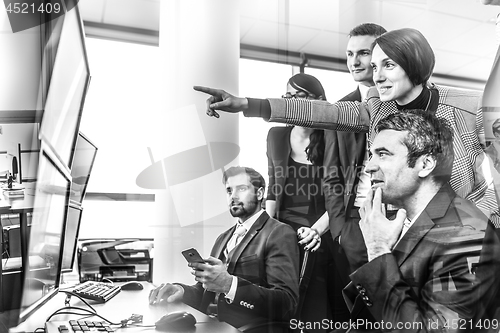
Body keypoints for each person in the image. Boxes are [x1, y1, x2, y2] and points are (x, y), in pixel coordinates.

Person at [193, 27, 500, 228]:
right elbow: (323, 112)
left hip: (463, 231)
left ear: (415, 62)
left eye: (388, 65)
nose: (377, 76)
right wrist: (248, 104)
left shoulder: (469, 105)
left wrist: (485, 218)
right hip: (403, 233)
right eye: (375, 66)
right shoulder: (378, 107)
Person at [340, 110, 500, 332]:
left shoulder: (466, 233)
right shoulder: (402, 220)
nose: (368, 166)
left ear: (425, 165)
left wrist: (378, 251)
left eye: (383, 154)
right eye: (371, 154)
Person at [148, 166, 300, 332]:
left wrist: (229, 285)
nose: (233, 196)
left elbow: (286, 303)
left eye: (241, 189)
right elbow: (203, 293)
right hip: (210, 326)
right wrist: (181, 291)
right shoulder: (223, 238)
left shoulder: (279, 232)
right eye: (229, 190)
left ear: (260, 193)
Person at [266, 72, 338, 331]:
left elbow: (342, 194)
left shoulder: (334, 137)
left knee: (314, 307)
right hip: (284, 231)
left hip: (321, 229)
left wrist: (317, 231)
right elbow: (273, 186)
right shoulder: (276, 135)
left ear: (319, 101)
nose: (292, 103)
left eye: (300, 97)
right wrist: (267, 228)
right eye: (288, 97)